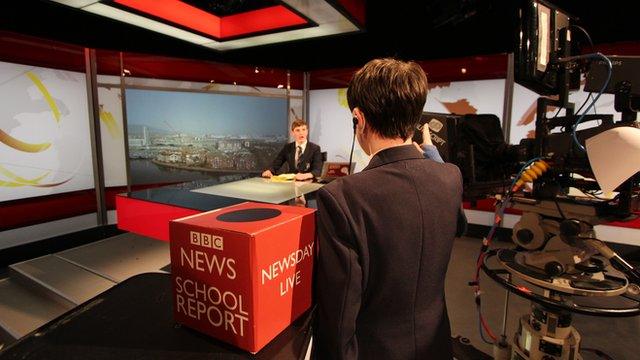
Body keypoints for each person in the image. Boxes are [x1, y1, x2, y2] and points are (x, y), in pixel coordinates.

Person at [314, 58, 465, 359]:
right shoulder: (450, 176)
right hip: (436, 345)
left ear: (360, 118)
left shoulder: (342, 196)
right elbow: (458, 225)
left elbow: (340, 312)